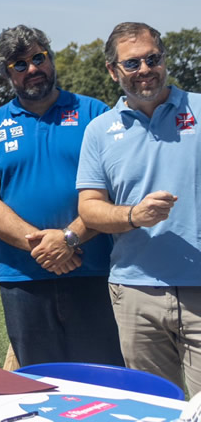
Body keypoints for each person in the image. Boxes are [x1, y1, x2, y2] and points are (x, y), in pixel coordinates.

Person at [0, 25, 123, 367]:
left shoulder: (95, 114)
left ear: (50, 59)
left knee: (102, 384)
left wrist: (71, 238)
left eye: (38, 57)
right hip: (23, 278)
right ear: (7, 75)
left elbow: (117, 190)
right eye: (19, 64)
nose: (33, 69)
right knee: (38, 387)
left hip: (93, 271)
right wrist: (42, 246)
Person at [77, 22, 201, 395]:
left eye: (153, 59)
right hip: (135, 291)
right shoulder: (99, 131)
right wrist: (133, 215)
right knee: (155, 407)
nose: (145, 69)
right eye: (132, 64)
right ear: (113, 71)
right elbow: (90, 210)